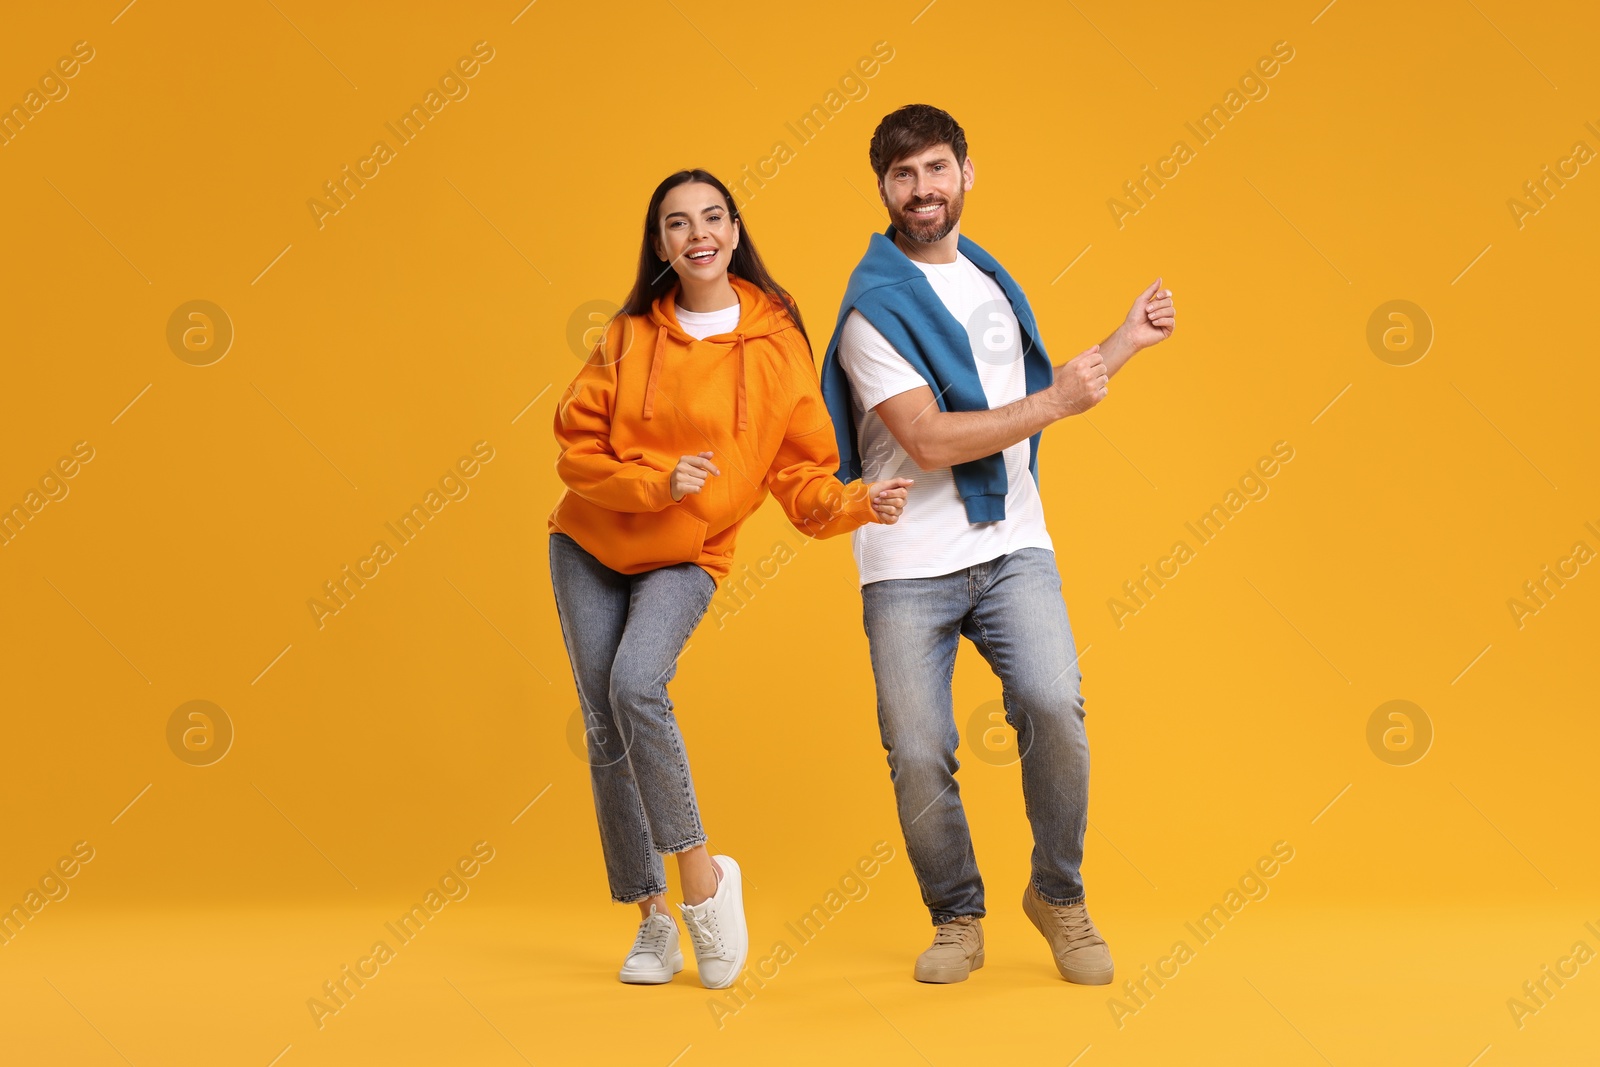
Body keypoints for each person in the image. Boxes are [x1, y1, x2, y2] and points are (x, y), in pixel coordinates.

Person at [819, 105, 1176, 984]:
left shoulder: (987, 280)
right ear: (882, 190)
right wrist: (1056, 403)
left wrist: (1122, 345)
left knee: (1054, 707)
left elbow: (1030, 400)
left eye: (936, 169)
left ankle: (1057, 895)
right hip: (909, 565)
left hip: (1014, 542)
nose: (922, 190)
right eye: (903, 176)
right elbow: (935, 440)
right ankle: (956, 915)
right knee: (917, 746)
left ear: (967, 173)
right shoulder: (874, 309)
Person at [548, 169, 913, 990]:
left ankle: (705, 886)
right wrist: (655, 482)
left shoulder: (779, 342)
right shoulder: (627, 335)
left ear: (736, 231)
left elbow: (801, 478)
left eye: (711, 217)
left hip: (688, 553)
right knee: (606, 725)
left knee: (636, 684)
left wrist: (858, 501)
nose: (697, 234)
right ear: (660, 245)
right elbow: (574, 451)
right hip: (589, 544)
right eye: (677, 224)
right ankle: (651, 920)